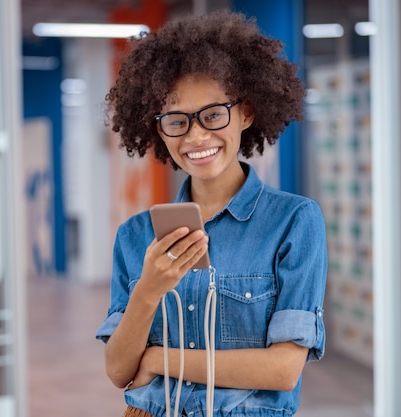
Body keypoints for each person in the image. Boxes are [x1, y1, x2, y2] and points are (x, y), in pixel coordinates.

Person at [95, 10, 327, 417]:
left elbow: (283, 370)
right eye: (176, 121)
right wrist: (148, 289)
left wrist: (156, 360)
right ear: (159, 131)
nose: (196, 135)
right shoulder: (135, 236)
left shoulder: (294, 222)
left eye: (213, 114)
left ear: (246, 113)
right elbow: (117, 371)